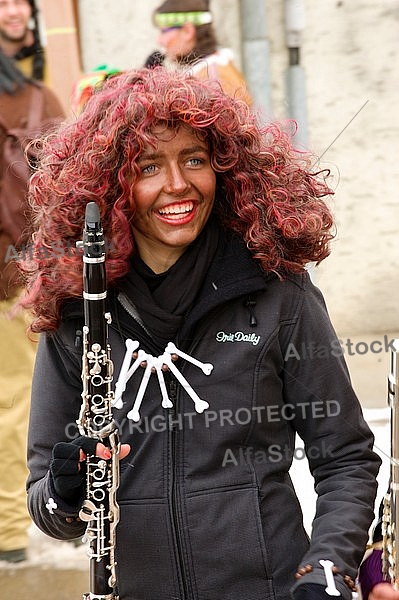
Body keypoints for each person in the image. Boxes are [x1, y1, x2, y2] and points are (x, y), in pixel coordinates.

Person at [20, 66, 380, 599]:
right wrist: (65, 492)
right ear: (112, 189)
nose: (177, 184)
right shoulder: (79, 313)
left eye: (195, 159)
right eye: (148, 166)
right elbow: (50, 511)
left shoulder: (280, 293)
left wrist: (325, 568)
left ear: (226, 169)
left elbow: (346, 459)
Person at [0, 50, 64, 563]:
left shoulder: (43, 98)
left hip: (29, 278)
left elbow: (67, 186)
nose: (14, 9)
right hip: (15, 279)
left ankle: (13, 532)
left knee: (22, 404)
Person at [151, 0, 252, 105]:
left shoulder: (212, 80)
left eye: (163, 31)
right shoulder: (212, 71)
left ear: (187, 31)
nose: (159, 40)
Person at [0, 0, 45, 81]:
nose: (13, 12)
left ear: (31, 8)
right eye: (2, 4)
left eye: (19, 2)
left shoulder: (55, 57)